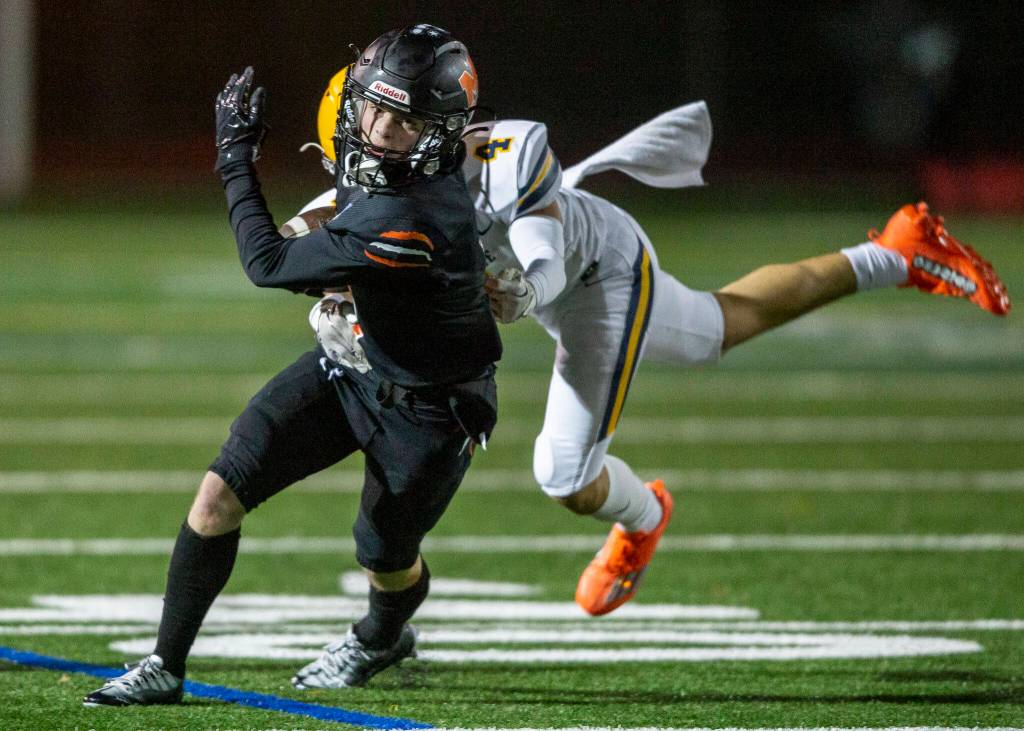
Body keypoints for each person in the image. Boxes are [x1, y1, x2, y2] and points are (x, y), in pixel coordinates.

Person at [298, 90, 1011, 618]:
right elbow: (305, 233)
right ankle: (897, 252)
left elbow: (540, 258)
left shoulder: (498, 159)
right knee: (716, 326)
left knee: (563, 472)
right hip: (572, 278)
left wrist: (521, 287)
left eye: (384, 124)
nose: (365, 146)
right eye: (360, 127)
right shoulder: (381, 176)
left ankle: (643, 516)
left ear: (425, 126)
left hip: (593, 280)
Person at [83, 24, 499, 706]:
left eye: (403, 120)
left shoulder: (410, 214)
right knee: (220, 491)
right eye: (373, 105)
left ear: (438, 133)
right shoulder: (410, 169)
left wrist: (233, 157)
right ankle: (165, 662)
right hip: (352, 362)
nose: (378, 127)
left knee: (385, 556)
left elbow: (267, 263)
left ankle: (380, 634)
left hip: (430, 407)